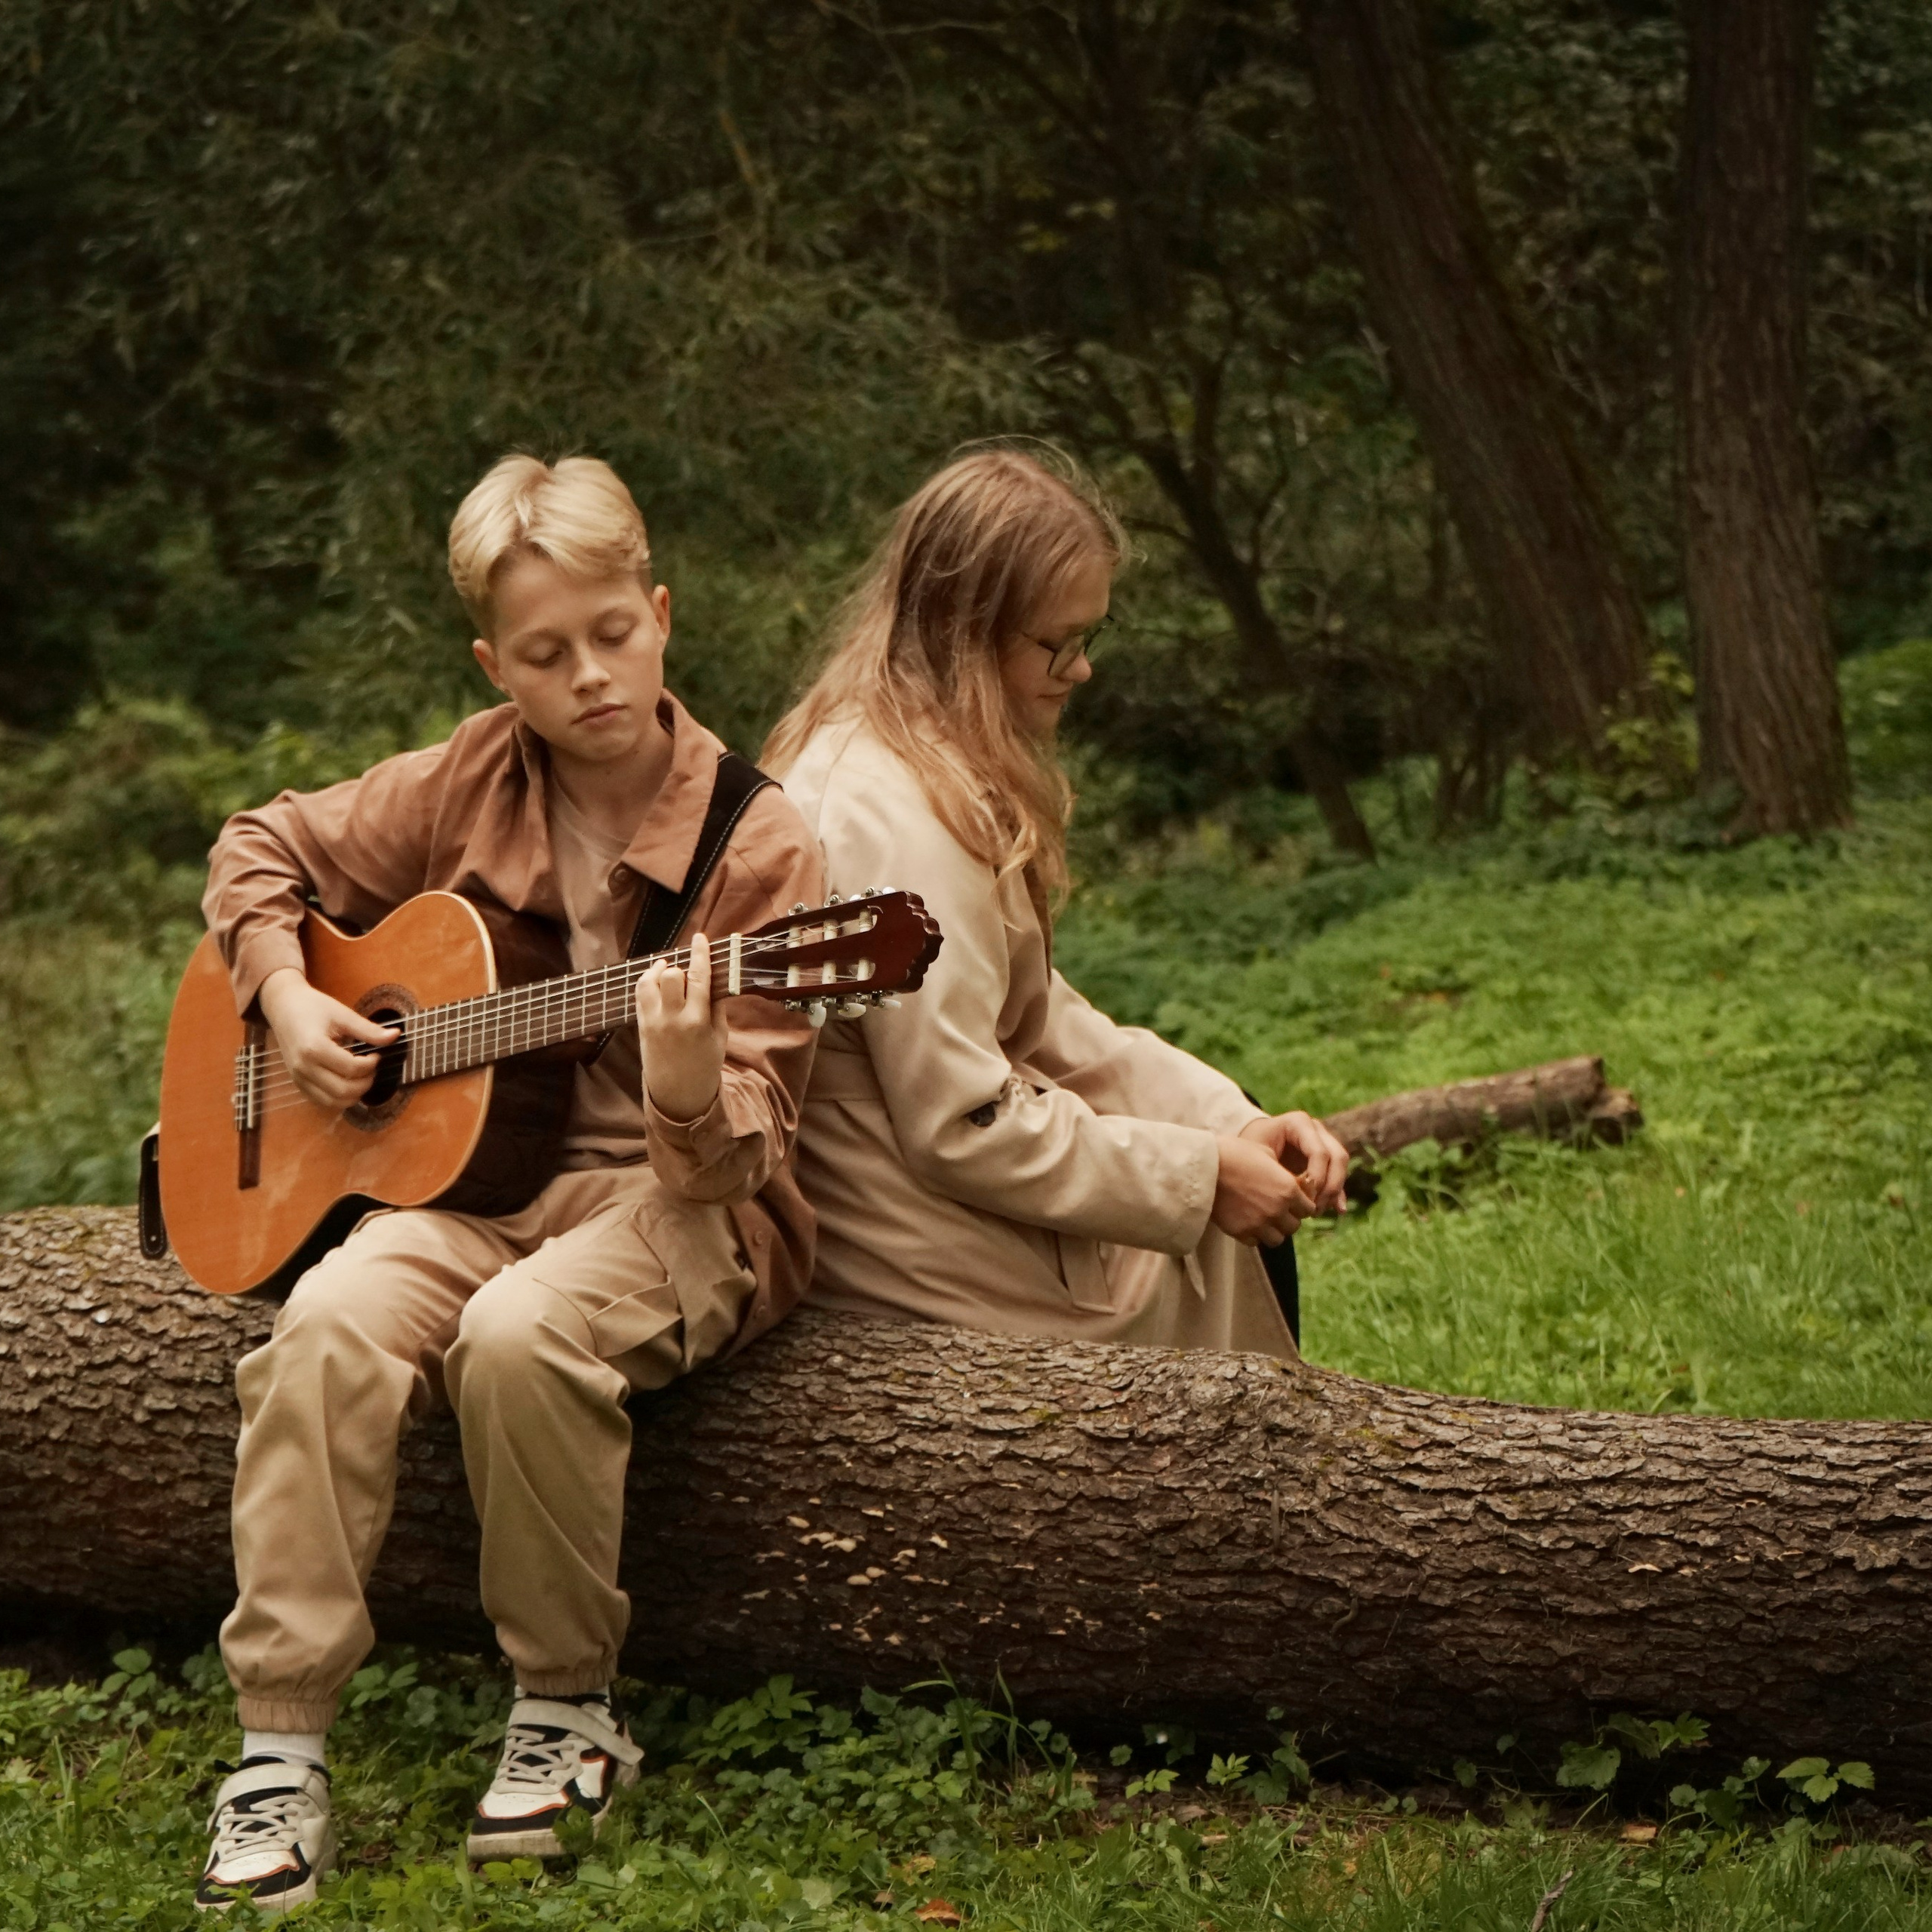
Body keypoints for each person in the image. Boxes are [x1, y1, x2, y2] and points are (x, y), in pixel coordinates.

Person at [193, 455, 823, 1912]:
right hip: (474, 1188)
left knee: (524, 1337)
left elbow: (749, 1137)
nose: (589, 675)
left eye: (614, 634)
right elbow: (258, 848)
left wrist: (682, 1079)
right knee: (329, 1328)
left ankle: (568, 1708)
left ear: (660, 614)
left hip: (678, 1201)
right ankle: (279, 1742)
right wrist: (288, 999)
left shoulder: (763, 842)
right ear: (496, 663)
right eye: (545, 655)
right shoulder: (472, 772)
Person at [763, 445, 1349, 1357]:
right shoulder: (890, 816)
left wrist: (1226, 1119)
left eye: (1089, 638)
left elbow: (1035, 1014)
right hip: (900, 1238)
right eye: (1058, 642)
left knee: (1226, 1180)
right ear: (965, 629)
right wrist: (1197, 1178)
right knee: (1209, 1238)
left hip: (923, 1196)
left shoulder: (917, 752)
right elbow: (961, 1125)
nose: (1080, 670)